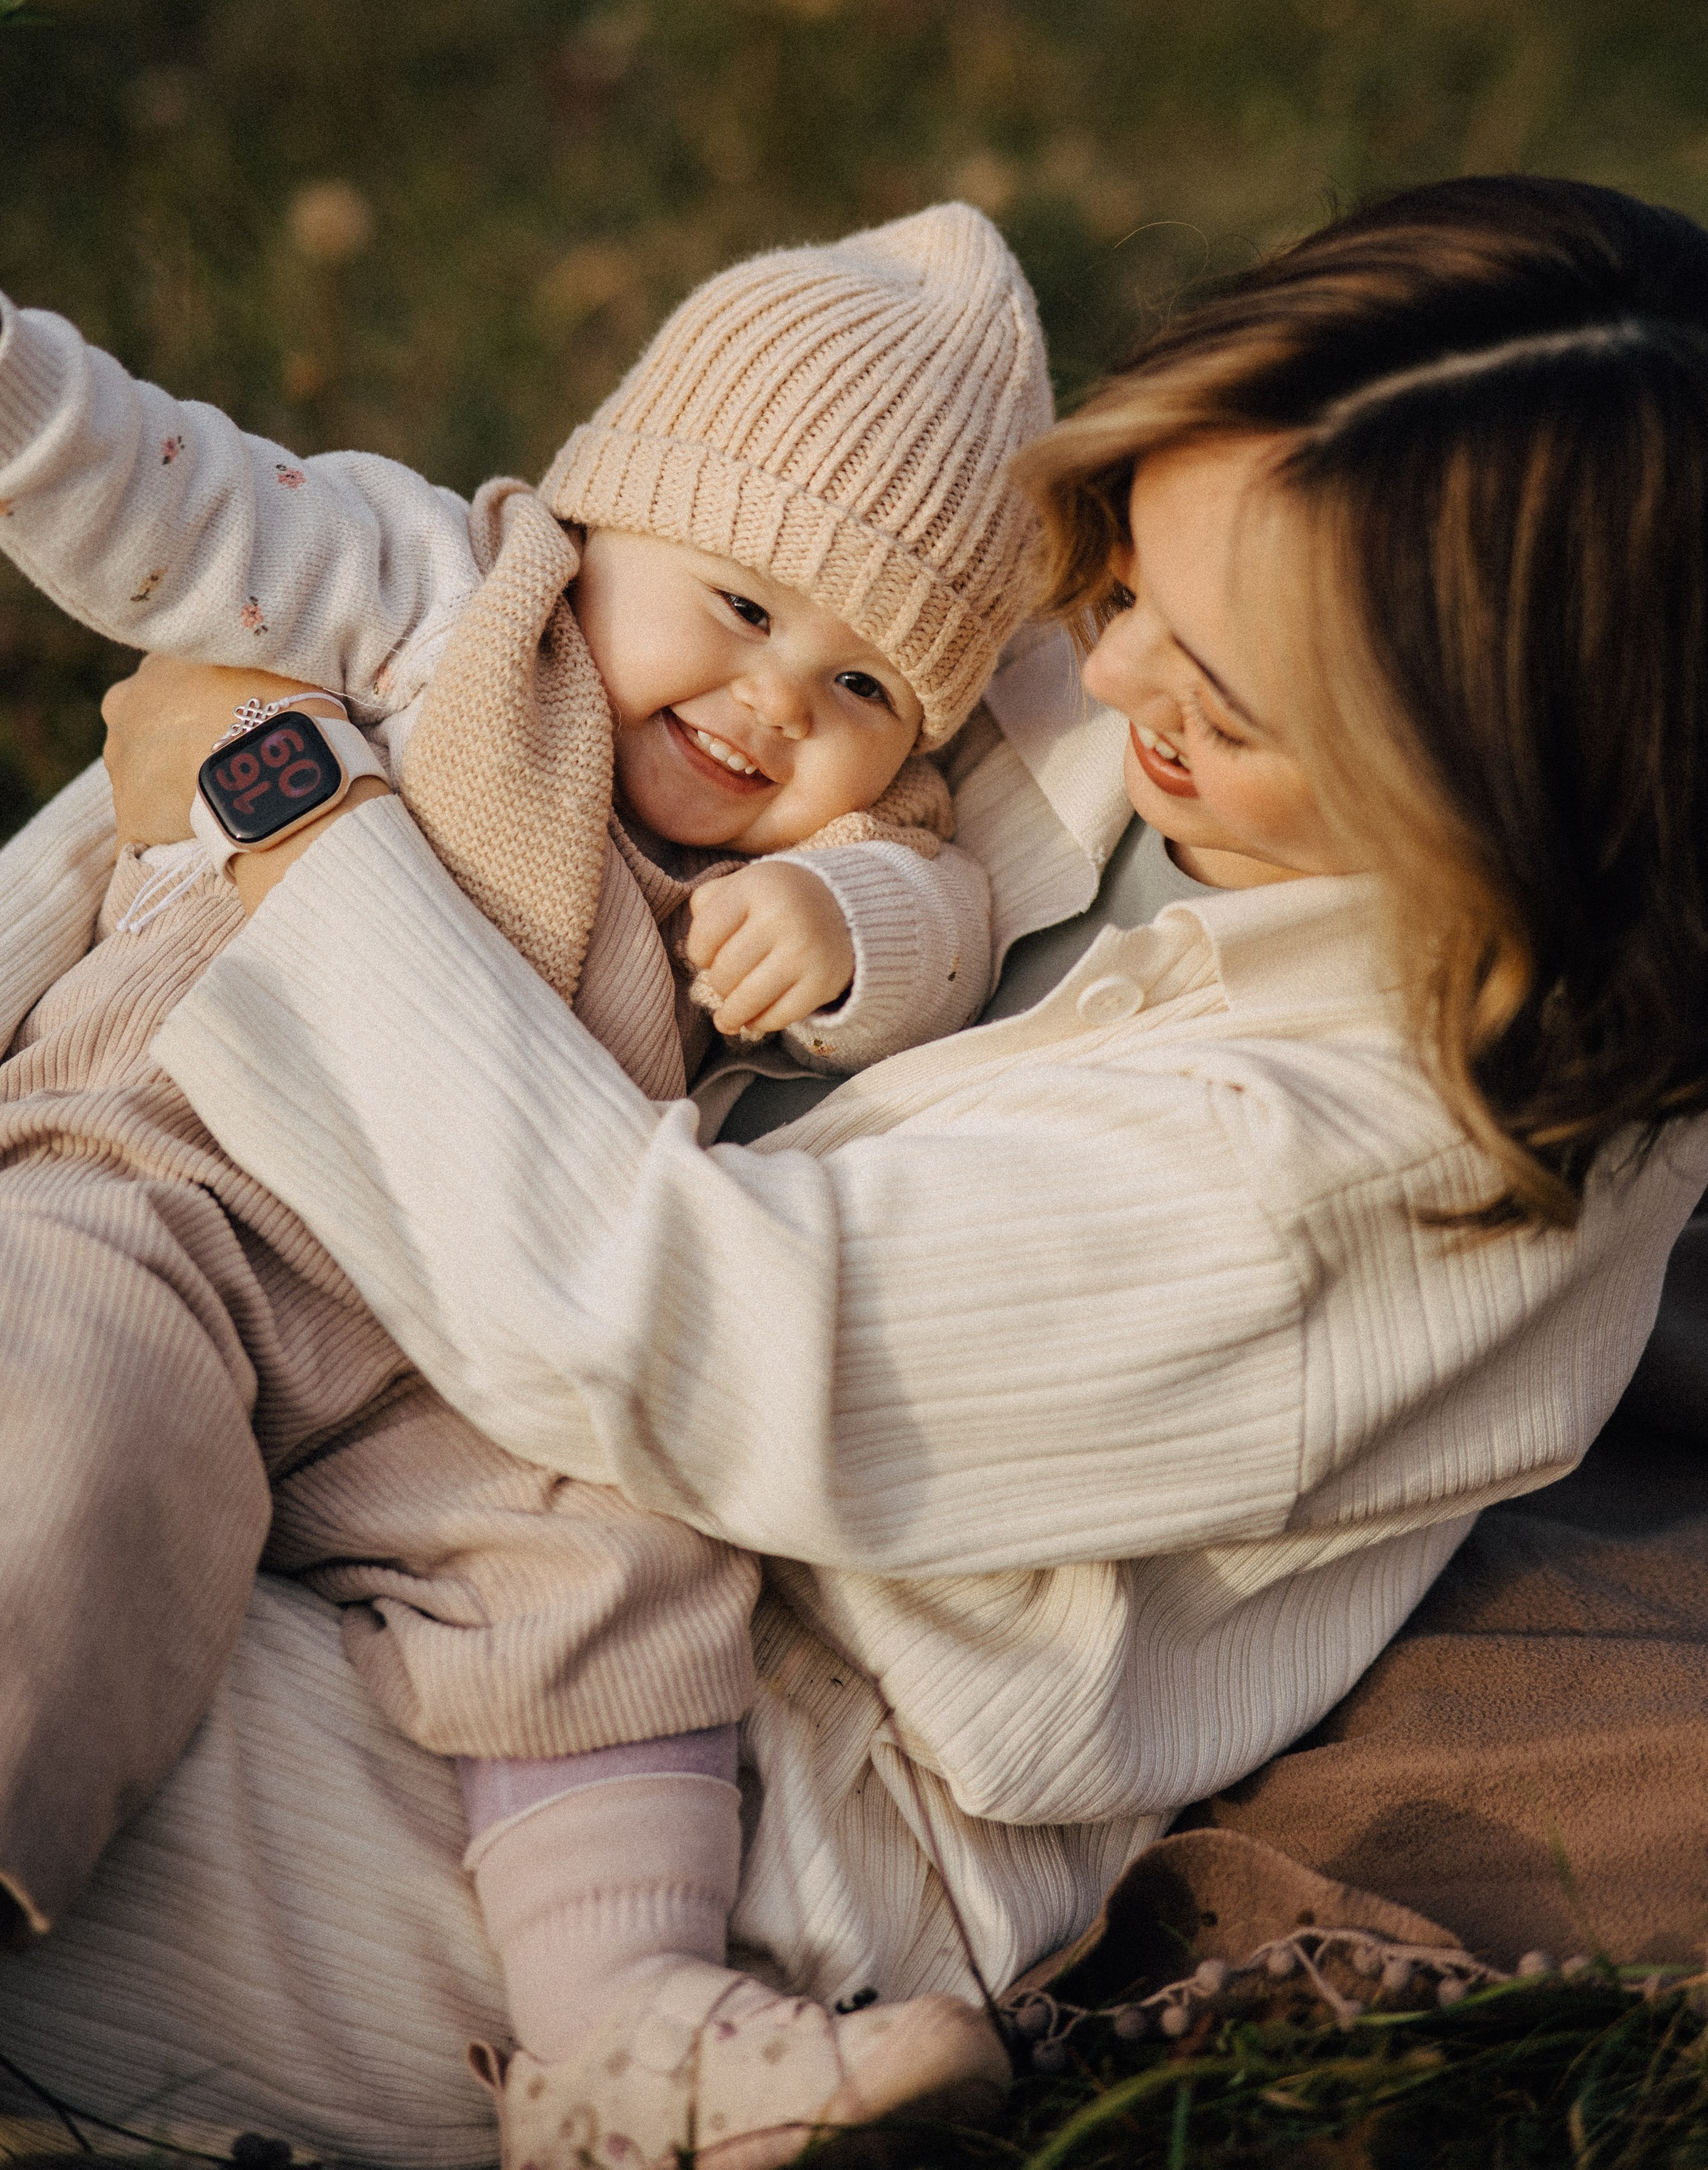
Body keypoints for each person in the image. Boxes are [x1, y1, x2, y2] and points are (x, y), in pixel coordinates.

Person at [24, 175, 1708, 2170]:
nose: (1109, 671)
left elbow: (660, 1338)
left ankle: (640, 2063)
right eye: (1126, 572)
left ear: (1494, 790)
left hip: (642, 1754)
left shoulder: (1351, 1185)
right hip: (389, 1351)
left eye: (1221, 700)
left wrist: (276, 803)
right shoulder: (1206, 681)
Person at [0, 205, 1055, 2149]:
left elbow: (943, 921)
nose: (774, 711)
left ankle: (629, 2041)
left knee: (632, 1573)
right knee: (64, 1414)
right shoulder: (431, 585)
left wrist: (838, 919)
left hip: (462, 1355)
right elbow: (174, 493)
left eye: (864, 692)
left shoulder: (850, 841)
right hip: (180, 1197)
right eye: (741, 611)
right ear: (606, 514)